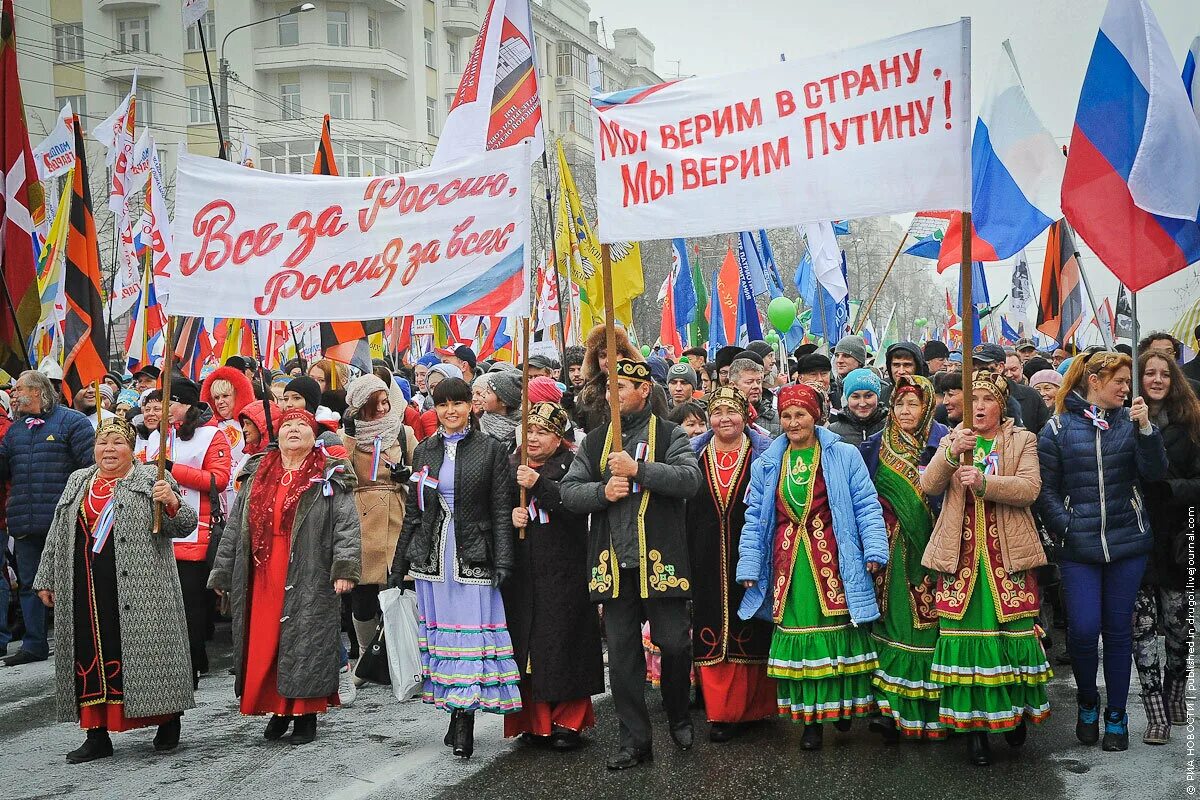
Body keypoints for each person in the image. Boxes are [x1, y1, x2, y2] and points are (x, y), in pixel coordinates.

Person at [560, 359, 702, 769]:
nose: (614, 393)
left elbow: (689, 480)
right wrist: (603, 491)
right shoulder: (593, 441)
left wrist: (639, 470)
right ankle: (634, 741)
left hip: (661, 563)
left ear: (644, 390)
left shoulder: (671, 434)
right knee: (622, 658)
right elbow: (570, 492)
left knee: (675, 643)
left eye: (624, 386)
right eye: (610, 387)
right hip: (613, 565)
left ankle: (677, 711)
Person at [32, 418, 197, 762]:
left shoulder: (151, 479)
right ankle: (96, 734)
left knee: (149, 656)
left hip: (144, 588)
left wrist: (173, 502)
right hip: (86, 587)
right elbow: (58, 529)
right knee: (89, 651)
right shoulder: (79, 481)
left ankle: (167, 720)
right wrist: (46, 576)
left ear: (131, 449)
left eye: (117, 443)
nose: (109, 450)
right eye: (102, 443)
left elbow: (184, 525)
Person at [737, 383, 888, 751]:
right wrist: (749, 566)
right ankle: (811, 723)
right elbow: (755, 517)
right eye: (786, 416)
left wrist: (874, 550)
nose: (792, 422)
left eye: (800, 415)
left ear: (815, 415)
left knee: (838, 631)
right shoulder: (768, 463)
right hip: (789, 563)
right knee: (800, 636)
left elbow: (867, 504)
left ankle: (841, 708)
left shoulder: (844, 455)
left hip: (836, 558)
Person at [1038, 350, 1168, 752]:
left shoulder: (1132, 423)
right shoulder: (1057, 428)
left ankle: (1116, 715)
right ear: (1094, 381)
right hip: (1079, 549)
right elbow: (1046, 490)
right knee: (1081, 630)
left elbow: (1155, 473)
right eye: (1121, 381)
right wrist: (1068, 525)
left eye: (1129, 382)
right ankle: (1087, 702)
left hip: (1127, 545)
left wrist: (1147, 431)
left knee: (1117, 633)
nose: (1128, 389)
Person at [921, 371, 1051, 766]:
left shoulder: (1022, 440)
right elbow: (929, 485)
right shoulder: (953, 438)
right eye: (972, 398)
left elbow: (1030, 489)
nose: (978, 406)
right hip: (960, 558)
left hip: (1007, 556)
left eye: (987, 399)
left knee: (1012, 640)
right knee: (966, 643)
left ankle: (1012, 716)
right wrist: (948, 453)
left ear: (1002, 404)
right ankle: (975, 731)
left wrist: (986, 482)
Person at [209, 408, 360, 745]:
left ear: (314, 435)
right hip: (263, 572)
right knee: (268, 643)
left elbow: (347, 523)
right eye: (287, 425)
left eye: (301, 425)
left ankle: (305, 713)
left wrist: (345, 569)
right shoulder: (258, 470)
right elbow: (236, 526)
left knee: (305, 640)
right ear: (276, 434)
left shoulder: (329, 473)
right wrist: (222, 570)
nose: (293, 430)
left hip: (310, 568)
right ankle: (278, 708)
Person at [391, 377, 520, 759]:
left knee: (471, 638)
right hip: (433, 557)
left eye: (458, 403)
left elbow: (500, 509)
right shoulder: (425, 451)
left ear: (471, 406)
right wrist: (400, 563)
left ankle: (465, 719)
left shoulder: (491, 450)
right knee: (445, 640)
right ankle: (454, 712)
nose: (450, 411)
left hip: (473, 554)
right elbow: (414, 510)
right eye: (443, 404)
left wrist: (505, 559)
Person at [504, 402, 604, 750]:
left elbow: (576, 504)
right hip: (525, 573)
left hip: (565, 568)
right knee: (530, 647)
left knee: (565, 645)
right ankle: (535, 722)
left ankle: (569, 722)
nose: (532, 438)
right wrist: (510, 518)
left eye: (542, 432)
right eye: (529, 430)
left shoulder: (573, 464)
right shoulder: (512, 462)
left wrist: (540, 486)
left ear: (558, 437)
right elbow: (497, 507)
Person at [860, 375, 949, 742]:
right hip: (889, 552)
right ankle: (889, 707)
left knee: (929, 627)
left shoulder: (942, 444)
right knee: (890, 624)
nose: (905, 411)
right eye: (899, 404)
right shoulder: (874, 447)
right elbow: (862, 500)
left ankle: (933, 709)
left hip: (932, 550)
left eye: (913, 404)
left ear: (926, 406)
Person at [687, 387, 776, 743]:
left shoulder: (764, 456)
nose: (725, 419)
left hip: (749, 555)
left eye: (732, 411)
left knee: (751, 626)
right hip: (703, 555)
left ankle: (753, 708)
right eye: (718, 412)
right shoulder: (692, 457)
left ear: (746, 415)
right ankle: (722, 712)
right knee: (709, 628)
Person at [0, 370, 95, 667]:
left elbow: (89, 468)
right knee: (29, 583)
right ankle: (34, 643)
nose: (14, 395)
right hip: (25, 520)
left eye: (19, 389)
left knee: (71, 582)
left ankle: (81, 640)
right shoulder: (14, 430)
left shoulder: (73, 422)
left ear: (39, 392)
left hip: (64, 520)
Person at [143, 376, 232, 688]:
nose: (166, 408)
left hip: (194, 532)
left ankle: (193, 664)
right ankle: (175, 662)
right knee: (165, 605)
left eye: (173, 402)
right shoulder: (158, 436)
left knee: (190, 604)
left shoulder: (212, 435)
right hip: (159, 532)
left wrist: (171, 469)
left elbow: (218, 481)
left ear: (188, 404)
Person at [1133, 351, 1200, 744]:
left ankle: (1176, 689)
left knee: (1178, 628)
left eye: (1164, 374)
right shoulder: (1120, 422)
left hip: (1178, 539)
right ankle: (1154, 710)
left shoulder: (1191, 424)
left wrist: (1167, 490)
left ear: (1174, 379)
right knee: (1141, 629)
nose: (1156, 380)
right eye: (1149, 373)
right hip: (1136, 541)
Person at [341, 374, 414, 668]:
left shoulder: (402, 432)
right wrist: (347, 436)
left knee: (399, 589)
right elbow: (341, 473)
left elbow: (422, 469)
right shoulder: (347, 435)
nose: (384, 409)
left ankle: (400, 655)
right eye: (376, 404)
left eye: (386, 401)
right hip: (360, 515)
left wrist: (407, 475)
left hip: (397, 510)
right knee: (363, 595)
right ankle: (369, 657)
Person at [201, 365, 257, 506]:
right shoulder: (208, 428)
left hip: (243, 490)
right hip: (219, 493)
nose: (220, 401)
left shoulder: (250, 424)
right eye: (216, 397)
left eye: (225, 396)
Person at [827, 368, 887, 445]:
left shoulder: (890, 427)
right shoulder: (833, 432)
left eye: (868, 396)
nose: (862, 403)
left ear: (878, 397)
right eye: (855, 397)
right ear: (847, 399)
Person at [729, 357, 780, 435]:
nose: (756, 386)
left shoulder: (777, 417)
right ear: (733, 386)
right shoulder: (719, 417)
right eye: (749, 382)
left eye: (759, 382)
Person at [473, 371, 523, 446]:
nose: (483, 394)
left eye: (488, 392)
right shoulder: (476, 426)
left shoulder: (523, 431)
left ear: (504, 402)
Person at [831, 335, 868, 409]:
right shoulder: (832, 389)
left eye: (846, 356)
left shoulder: (873, 388)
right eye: (837, 355)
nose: (839, 360)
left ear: (859, 361)